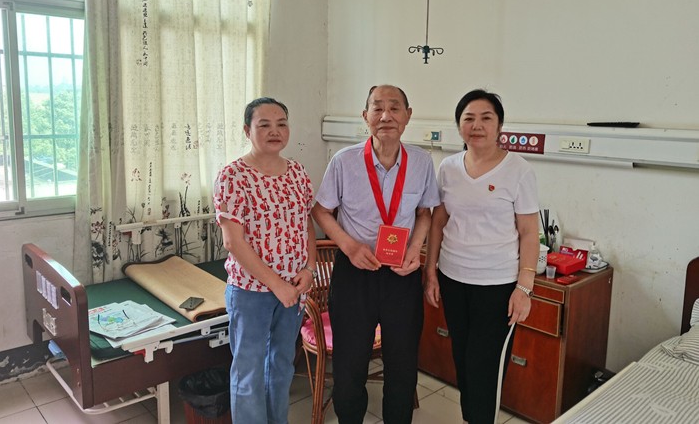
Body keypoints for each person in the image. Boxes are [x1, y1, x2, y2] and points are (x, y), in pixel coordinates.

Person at [312, 84, 440, 424]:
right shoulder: (344, 161)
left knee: (402, 363)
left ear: (408, 116)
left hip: (401, 274)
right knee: (349, 365)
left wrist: (415, 249)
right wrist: (349, 246)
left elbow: (425, 213)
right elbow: (321, 211)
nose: (386, 116)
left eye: (395, 108)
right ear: (365, 116)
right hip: (355, 274)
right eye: (377, 108)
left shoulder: (422, 162)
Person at [423, 89, 540, 424]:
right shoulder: (448, 168)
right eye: (469, 118)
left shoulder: (518, 171)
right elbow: (438, 222)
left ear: (499, 125)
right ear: (459, 125)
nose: (477, 125)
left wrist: (524, 288)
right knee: (462, 359)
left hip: (497, 285)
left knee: (484, 367)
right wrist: (430, 272)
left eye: (486, 118)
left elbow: (529, 232)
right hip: (453, 279)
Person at [213, 97, 316, 424]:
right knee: (249, 371)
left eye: (281, 124)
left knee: (282, 365)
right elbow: (233, 241)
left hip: (294, 289)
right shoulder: (233, 176)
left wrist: (309, 269)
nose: (275, 131)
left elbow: (306, 223)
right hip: (251, 291)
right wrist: (277, 286)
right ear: (247, 130)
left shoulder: (297, 172)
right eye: (265, 125)